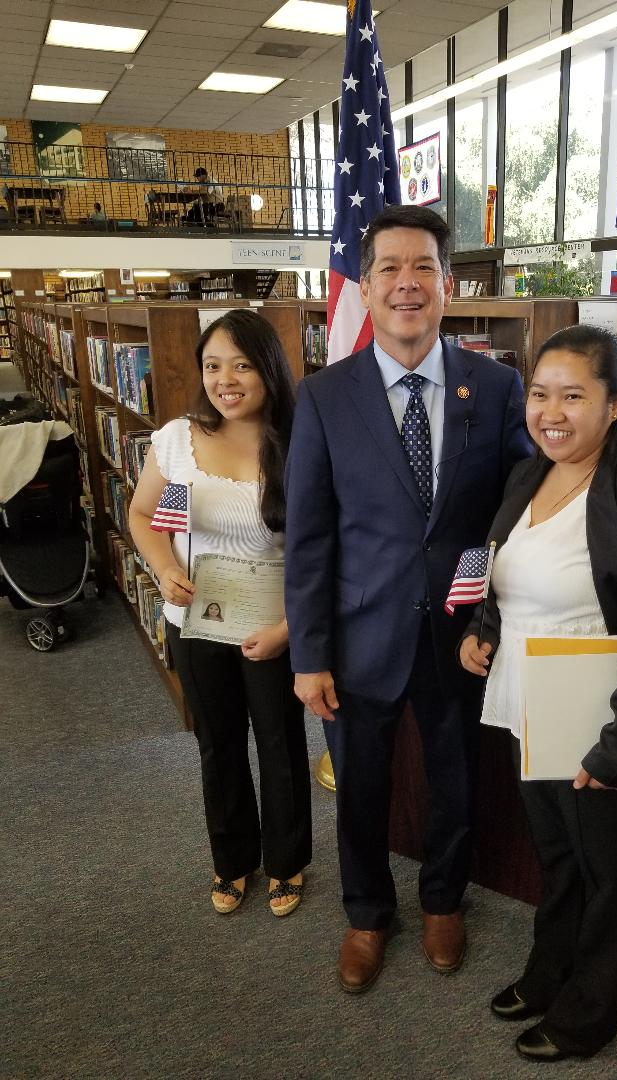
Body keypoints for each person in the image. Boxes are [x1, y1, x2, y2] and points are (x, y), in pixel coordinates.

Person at [284, 205, 533, 992]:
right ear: (366, 286)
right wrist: (310, 653)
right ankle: (366, 913)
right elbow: (310, 538)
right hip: (360, 636)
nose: (406, 284)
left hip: (461, 634)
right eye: (389, 268)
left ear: (447, 283)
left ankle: (443, 901)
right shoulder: (324, 397)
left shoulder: (495, 388)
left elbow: (520, 512)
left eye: (422, 267)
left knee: (458, 775)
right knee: (359, 784)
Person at [459, 324, 617, 1062]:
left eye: (573, 395)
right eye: (538, 394)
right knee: (557, 857)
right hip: (528, 707)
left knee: (609, 875)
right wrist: (483, 626)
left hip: (603, 721)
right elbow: (505, 571)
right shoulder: (527, 475)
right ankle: (549, 970)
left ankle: (589, 1015)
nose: (550, 411)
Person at [129, 309, 312, 917]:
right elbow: (141, 516)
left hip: (274, 625)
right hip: (196, 619)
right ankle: (232, 860)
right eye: (212, 365)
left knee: (281, 746)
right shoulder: (177, 438)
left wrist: (292, 628)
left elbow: (321, 545)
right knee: (220, 745)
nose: (225, 379)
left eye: (241, 364)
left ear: (269, 369)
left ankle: (287, 863)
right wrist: (163, 568)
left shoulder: (300, 437)